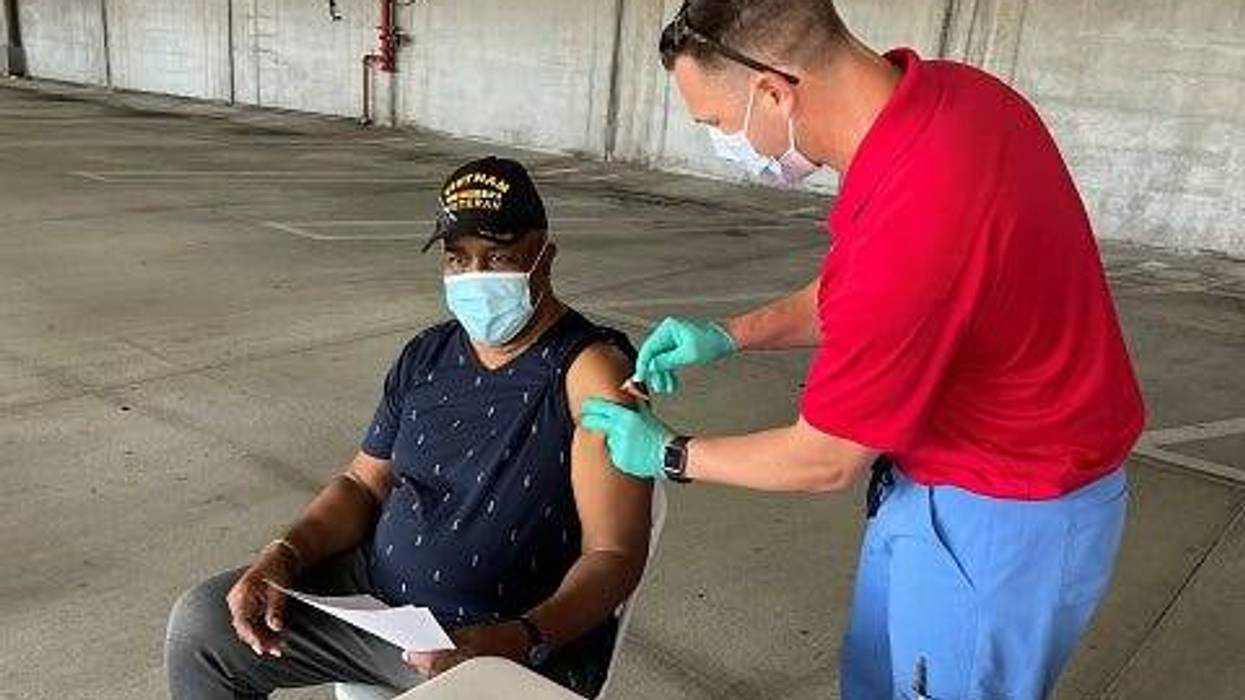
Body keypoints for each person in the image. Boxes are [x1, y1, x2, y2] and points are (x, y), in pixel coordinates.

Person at [581, 2, 1146, 699]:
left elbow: (824, 458)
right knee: (874, 680)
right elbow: (861, 294)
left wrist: (668, 454)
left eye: (716, 125)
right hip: (935, 479)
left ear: (772, 91)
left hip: (1002, 515)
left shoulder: (918, 211)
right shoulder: (953, 96)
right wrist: (730, 333)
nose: (722, 144)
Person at [165, 156, 653, 699]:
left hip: (498, 644)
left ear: (544, 257)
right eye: (458, 260)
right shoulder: (427, 355)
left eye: (498, 258)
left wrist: (521, 636)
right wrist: (284, 554)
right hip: (379, 610)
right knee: (201, 629)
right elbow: (361, 484)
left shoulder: (589, 374)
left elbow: (614, 555)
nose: (476, 278)